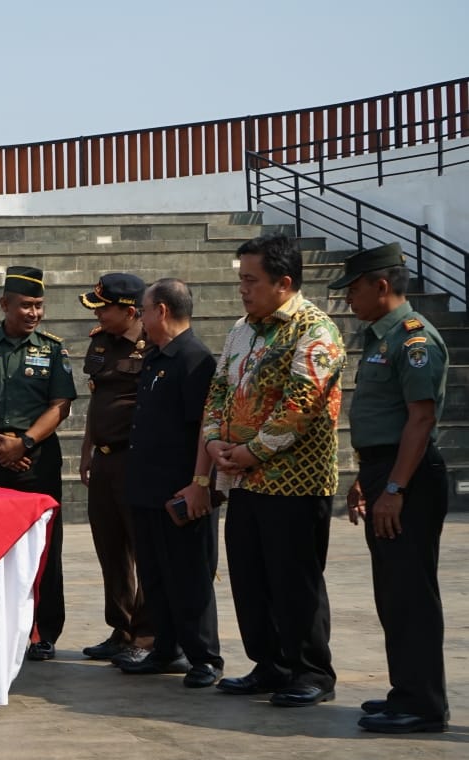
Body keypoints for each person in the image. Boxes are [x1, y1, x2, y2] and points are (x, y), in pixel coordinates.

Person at [197, 233, 345, 707]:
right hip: (243, 478)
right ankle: (270, 664)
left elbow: (302, 403)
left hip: (295, 482)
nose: (243, 289)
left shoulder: (314, 329)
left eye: (251, 280)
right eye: (241, 279)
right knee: (251, 577)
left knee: (294, 579)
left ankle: (311, 671)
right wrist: (216, 439)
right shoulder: (242, 329)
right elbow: (219, 388)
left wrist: (252, 451)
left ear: (283, 283)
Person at [333, 243, 450, 734]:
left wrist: (396, 488)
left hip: (412, 477)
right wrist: (369, 479)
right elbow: (385, 421)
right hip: (387, 470)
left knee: (410, 592)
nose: (349, 300)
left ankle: (423, 703)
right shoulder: (381, 338)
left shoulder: (413, 340)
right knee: (392, 592)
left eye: (354, 290)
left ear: (382, 286)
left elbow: (420, 420)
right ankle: (407, 690)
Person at [0, 266, 76, 661]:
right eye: (25, 305)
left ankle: (43, 630)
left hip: (37, 459)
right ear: (5, 304)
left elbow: (61, 405)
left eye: (39, 306)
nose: (33, 313)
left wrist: (23, 443)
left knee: (44, 547)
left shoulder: (52, 349)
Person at [122, 279, 224, 687]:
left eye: (144, 311)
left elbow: (205, 425)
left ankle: (204, 657)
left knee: (189, 574)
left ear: (161, 311)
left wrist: (199, 483)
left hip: (180, 490)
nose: (141, 320)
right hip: (146, 488)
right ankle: (167, 648)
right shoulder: (158, 357)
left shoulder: (194, 359)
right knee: (155, 574)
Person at [74, 273, 155, 664]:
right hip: (105, 458)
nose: (99, 314)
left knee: (143, 547)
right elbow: (98, 400)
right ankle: (120, 627)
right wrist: (87, 449)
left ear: (129, 310)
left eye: (104, 308)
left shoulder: (154, 346)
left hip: (136, 459)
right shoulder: (100, 341)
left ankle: (145, 633)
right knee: (110, 547)